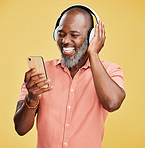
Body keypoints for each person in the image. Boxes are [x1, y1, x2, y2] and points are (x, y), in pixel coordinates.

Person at [14, 5, 126, 148]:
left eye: (74, 35)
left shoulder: (109, 71)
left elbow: (112, 103)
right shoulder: (40, 73)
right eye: (61, 34)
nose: (65, 41)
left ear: (91, 37)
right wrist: (32, 98)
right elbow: (20, 129)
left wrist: (94, 54)